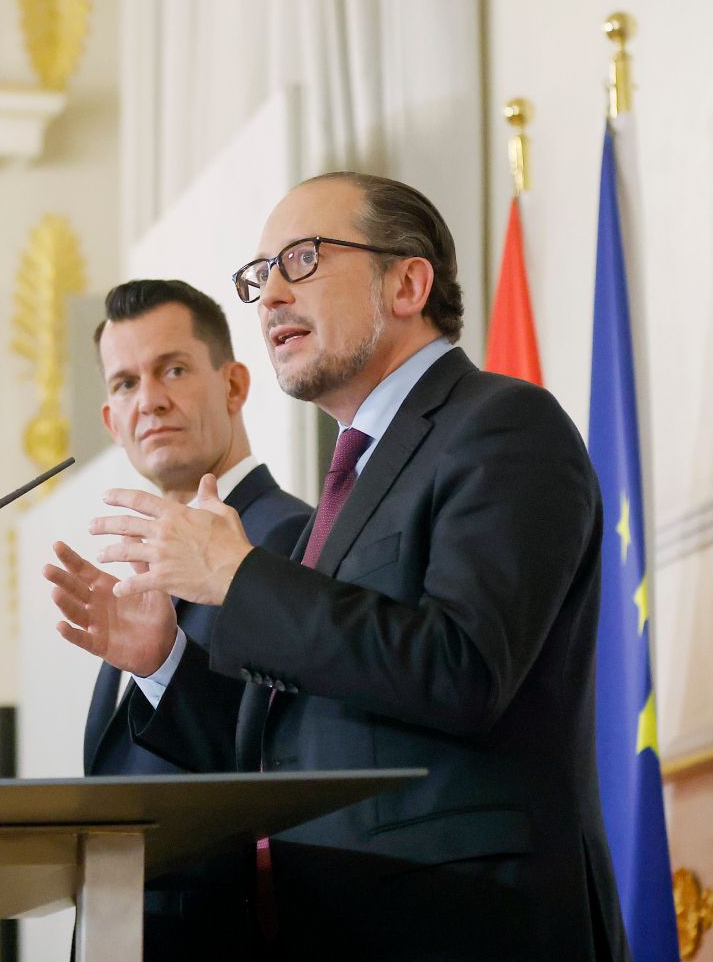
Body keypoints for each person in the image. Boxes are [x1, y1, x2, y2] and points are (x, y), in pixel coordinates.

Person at [46, 173, 629, 961]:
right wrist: (165, 663)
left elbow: (462, 667)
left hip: (465, 923)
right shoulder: (350, 483)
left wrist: (238, 579)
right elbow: (284, 752)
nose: (270, 295)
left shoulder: (503, 425)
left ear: (407, 283)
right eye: (261, 274)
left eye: (303, 259)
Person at [73, 279, 310, 957]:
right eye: (125, 383)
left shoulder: (291, 536)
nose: (148, 399)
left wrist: (165, 665)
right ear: (111, 421)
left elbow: (277, 758)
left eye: (172, 369)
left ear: (234, 385)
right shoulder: (144, 563)